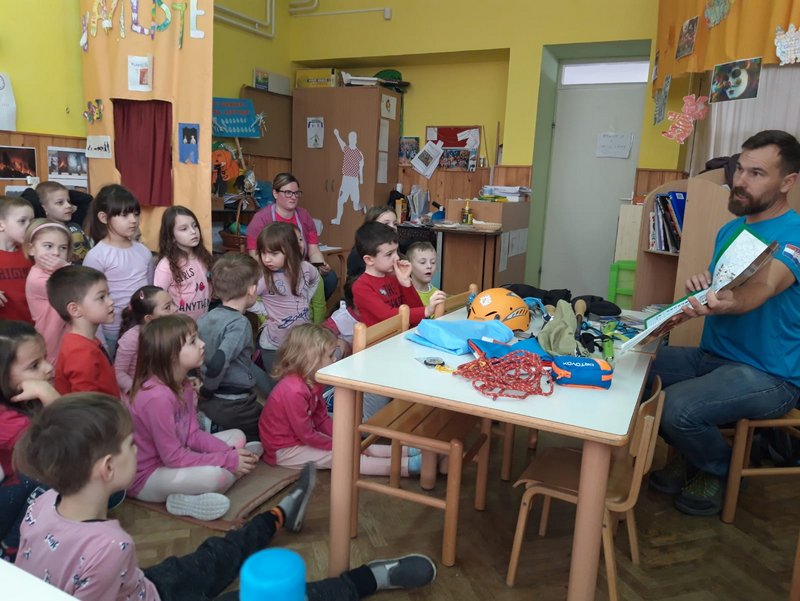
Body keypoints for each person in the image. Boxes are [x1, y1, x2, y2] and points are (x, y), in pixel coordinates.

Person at [648, 130, 800, 516]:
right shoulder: (731, 230)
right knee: (635, 370)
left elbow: (764, 287)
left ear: (788, 182)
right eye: (740, 169)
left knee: (678, 408)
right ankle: (693, 453)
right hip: (713, 357)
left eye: (756, 173)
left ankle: (717, 468)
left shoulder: (795, 236)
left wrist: (732, 302)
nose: (740, 181)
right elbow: (723, 285)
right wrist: (702, 287)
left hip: (770, 375)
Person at [127, 314, 259, 521]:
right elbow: (173, 457)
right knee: (215, 477)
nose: (202, 344)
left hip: (176, 457)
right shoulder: (156, 397)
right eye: (192, 341)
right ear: (170, 354)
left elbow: (192, 435)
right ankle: (191, 495)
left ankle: (232, 467)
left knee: (238, 436)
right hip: (148, 476)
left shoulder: (184, 384)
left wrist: (230, 453)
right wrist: (228, 460)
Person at [259, 323, 420, 475]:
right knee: (342, 456)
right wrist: (339, 444)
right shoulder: (293, 391)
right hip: (283, 449)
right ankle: (408, 466)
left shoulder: (313, 381)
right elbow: (306, 434)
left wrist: (344, 439)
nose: (334, 359)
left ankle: (407, 451)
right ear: (311, 359)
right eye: (330, 355)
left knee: (353, 443)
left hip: (300, 438)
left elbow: (321, 419)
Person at [0, 320, 59, 562]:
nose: (49, 367)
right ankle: (10, 550)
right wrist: (52, 398)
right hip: (11, 496)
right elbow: (72, 442)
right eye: (34, 365)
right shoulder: (7, 420)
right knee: (47, 478)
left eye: (45, 357)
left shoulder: (24, 398)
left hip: (14, 493)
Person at [197, 253, 270, 442]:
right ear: (252, 290)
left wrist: (204, 390)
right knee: (268, 429)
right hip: (233, 403)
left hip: (210, 400)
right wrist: (208, 390)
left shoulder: (205, 317)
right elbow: (219, 361)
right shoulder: (240, 324)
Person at [83, 184, 154, 358]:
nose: (133, 220)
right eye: (124, 215)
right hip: (113, 333)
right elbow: (90, 302)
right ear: (103, 217)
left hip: (144, 328)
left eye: (135, 214)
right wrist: (101, 342)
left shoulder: (143, 251)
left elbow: (149, 290)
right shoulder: (97, 256)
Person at [245, 173, 337, 299]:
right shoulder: (260, 219)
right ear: (275, 193)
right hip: (272, 269)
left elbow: (314, 251)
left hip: (300, 269)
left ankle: (307, 307)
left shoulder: (304, 216)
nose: (293, 197)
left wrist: (320, 265)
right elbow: (255, 256)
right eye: (288, 193)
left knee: (329, 278)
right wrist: (278, 271)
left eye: (296, 193)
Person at [253, 222, 321, 379]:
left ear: (290, 250)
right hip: (274, 344)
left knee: (299, 379)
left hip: (300, 342)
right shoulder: (265, 278)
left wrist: (306, 297)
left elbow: (316, 278)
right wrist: (263, 310)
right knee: (277, 383)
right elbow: (245, 298)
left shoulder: (305, 268)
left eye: (273, 254)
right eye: (263, 253)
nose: (267, 259)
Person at [351, 221, 445, 327]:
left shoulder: (395, 276)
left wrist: (406, 283)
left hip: (401, 334)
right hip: (381, 337)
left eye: (396, 251)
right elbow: (386, 315)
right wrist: (426, 311)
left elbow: (417, 316)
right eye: (389, 254)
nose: (396, 257)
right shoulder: (361, 286)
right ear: (369, 260)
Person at [47, 265, 121, 398]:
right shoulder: (81, 352)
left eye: (108, 295)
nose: (111, 302)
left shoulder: (87, 340)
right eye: (101, 297)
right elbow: (86, 405)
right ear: (75, 309)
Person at [23, 219, 71, 363]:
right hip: (51, 345)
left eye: (63, 248)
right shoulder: (36, 279)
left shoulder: (59, 272)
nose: (56, 253)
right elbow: (78, 288)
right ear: (31, 249)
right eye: (48, 246)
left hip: (67, 338)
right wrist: (65, 268)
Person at [115, 285, 175, 398]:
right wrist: (139, 392)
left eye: (173, 303)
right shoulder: (132, 338)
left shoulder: (172, 332)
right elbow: (118, 373)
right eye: (167, 307)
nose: (175, 309)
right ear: (149, 319)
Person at [155, 205, 213, 320]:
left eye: (195, 226)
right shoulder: (165, 266)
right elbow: (158, 301)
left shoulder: (203, 257)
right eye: (184, 229)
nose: (193, 232)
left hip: (203, 322)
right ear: (171, 236)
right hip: (179, 326)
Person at [35, 181, 92, 263]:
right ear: (44, 208)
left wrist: (64, 192)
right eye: (60, 202)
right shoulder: (45, 232)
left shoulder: (75, 225)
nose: (68, 205)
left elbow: (87, 199)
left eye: (69, 201)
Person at [0, 196, 35, 323]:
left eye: (31, 221)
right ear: (1, 225)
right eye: (22, 221)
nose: (29, 226)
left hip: (31, 327)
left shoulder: (32, 253)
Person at [346, 205, 398, 279]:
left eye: (395, 224)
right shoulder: (357, 254)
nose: (393, 227)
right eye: (386, 224)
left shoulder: (395, 247)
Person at [331, 129, 365, 226]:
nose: (351, 140)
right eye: (350, 138)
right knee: (340, 201)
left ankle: (363, 206)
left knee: (355, 206)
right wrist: (337, 135)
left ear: (356, 140)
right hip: (345, 179)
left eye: (353, 138)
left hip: (354, 181)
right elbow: (341, 143)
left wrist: (361, 179)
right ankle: (338, 219)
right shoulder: (346, 149)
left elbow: (361, 167)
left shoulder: (359, 154)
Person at [293, 224, 326, 323]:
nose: (299, 244)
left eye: (300, 239)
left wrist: (316, 329)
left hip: (306, 326)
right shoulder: (270, 274)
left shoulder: (311, 271)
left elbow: (319, 305)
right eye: (293, 240)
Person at [406, 240, 440, 306]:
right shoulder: (404, 294)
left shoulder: (437, 294)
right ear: (408, 265)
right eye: (423, 262)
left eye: (433, 262)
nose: (429, 266)